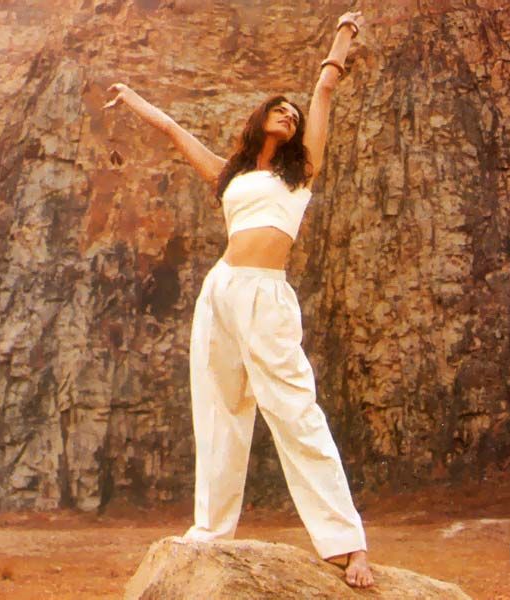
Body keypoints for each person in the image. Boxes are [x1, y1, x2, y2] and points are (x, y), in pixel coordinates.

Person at [102, 10, 374, 589]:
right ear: (260, 120)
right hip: (221, 291)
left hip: (266, 296)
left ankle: (347, 544)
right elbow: (173, 132)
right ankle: (210, 531)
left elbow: (325, 89)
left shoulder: (303, 171)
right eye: (280, 108)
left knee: (296, 412)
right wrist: (131, 98)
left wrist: (344, 33)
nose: (290, 114)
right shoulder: (230, 174)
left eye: (294, 114)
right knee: (219, 409)